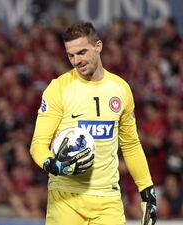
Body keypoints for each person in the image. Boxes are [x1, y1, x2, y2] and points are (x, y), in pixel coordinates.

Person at [29, 21, 157, 225]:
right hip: (66, 198)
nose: (76, 61)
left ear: (98, 46)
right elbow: (38, 144)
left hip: (108, 199)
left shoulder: (121, 89)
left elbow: (131, 144)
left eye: (81, 52)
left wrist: (147, 189)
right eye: (70, 55)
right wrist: (52, 164)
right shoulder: (58, 89)